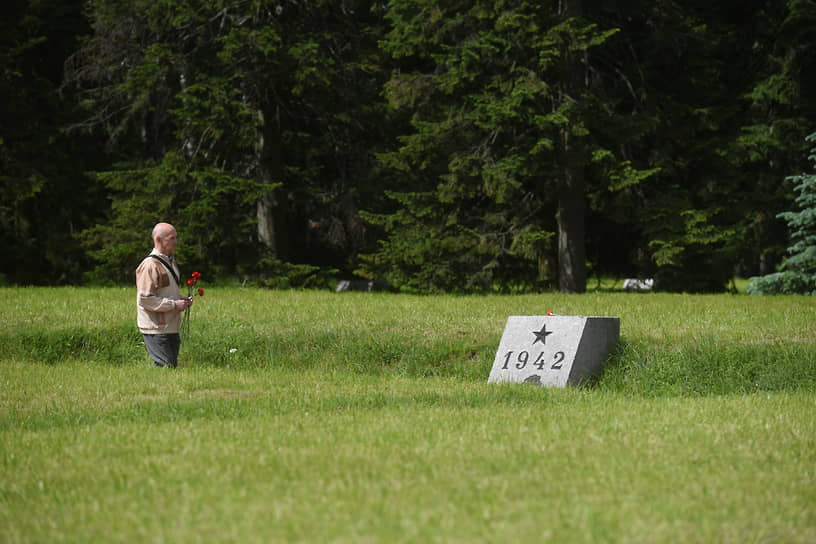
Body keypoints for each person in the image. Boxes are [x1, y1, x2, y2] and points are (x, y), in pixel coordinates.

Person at [135, 222, 193, 368]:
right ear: (159, 240)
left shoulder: (171, 262)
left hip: (171, 325)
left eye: (176, 237)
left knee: (170, 367)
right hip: (156, 327)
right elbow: (145, 300)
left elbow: (164, 292)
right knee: (165, 366)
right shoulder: (149, 265)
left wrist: (181, 300)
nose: (176, 242)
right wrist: (174, 305)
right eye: (171, 238)